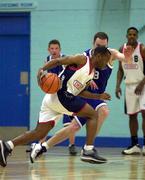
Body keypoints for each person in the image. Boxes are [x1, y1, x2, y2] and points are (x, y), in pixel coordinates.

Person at [0, 46, 112, 167]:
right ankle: (88, 150)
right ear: (99, 56)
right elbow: (59, 60)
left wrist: (99, 96)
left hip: (51, 99)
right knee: (93, 115)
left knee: (39, 133)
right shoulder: (82, 59)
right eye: (106, 60)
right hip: (61, 94)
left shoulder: (91, 73)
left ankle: (7, 146)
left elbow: (79, 92)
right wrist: (42, 69)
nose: (106, 64)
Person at [30, 32, 133, 163]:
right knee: (74, 127)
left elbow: (123, 57)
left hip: (96, 96)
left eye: (104, 46)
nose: (100, 49)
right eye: (97, 45)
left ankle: (86, 148)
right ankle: (45, 147)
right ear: (93, 44)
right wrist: (87, 79)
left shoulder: (110, 54)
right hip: (82, 94)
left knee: (103, 112)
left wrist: (128, 57)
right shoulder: (85, 55)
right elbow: (73, 68)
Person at [26, 39, 77, 155]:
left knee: (70, 122)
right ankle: (39, 145)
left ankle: (72, 145)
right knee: (44, 120)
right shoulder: (48, 60)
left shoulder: (65, 59)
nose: (54, 51)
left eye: (56, 48)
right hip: (53, 92)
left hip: (66, 92)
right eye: (52, 48)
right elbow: (45, 76)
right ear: (48, 50)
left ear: (60, 49)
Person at [115, 27, 145, 155]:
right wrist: (117, 85)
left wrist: (141, 84)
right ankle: (135, 145)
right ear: (126, 36)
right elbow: (120, 70)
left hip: (143, 86)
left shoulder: (142, 49)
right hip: (129, 86)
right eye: (130, 34)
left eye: (134, 34)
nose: (132, 36)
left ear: (137, 36)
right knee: (132, 116)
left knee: (144, 115)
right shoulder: (122, 49)